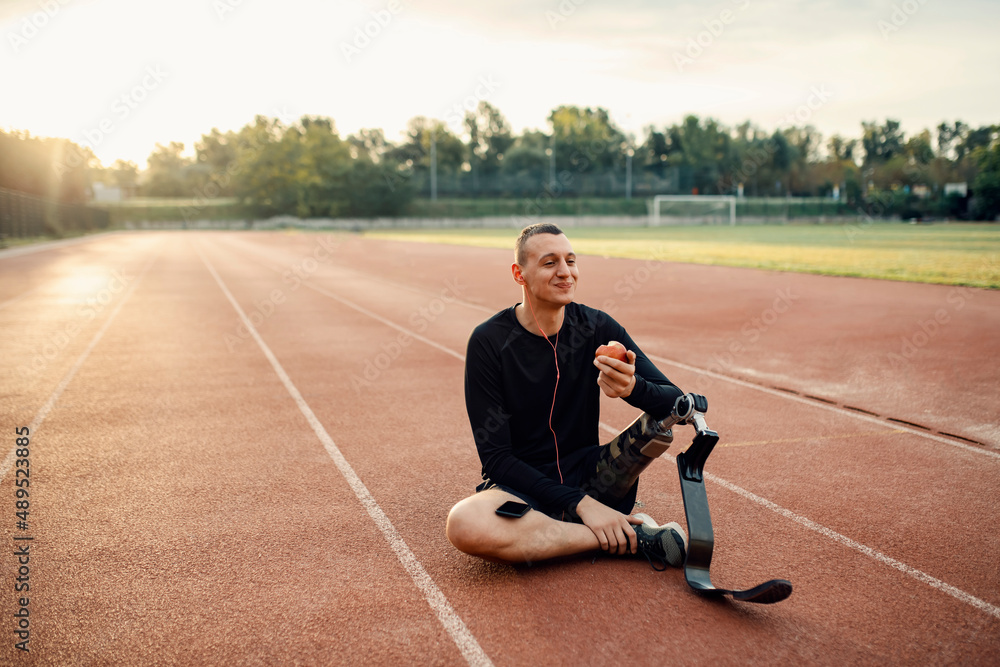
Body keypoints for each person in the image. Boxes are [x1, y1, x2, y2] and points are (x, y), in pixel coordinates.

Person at [446, 222, 690, 568]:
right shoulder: (489, 342)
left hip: (598, 479)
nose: (565, 273)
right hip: (528, 488)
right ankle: (632, 538)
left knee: (658, 417)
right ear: (520, 273)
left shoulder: (597, 327)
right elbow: (496, 459)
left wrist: (633, 388)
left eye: (571, 261)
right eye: (550, 263)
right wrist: (582, 505)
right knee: (465, 524)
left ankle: (573, 534)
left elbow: (675, 401)